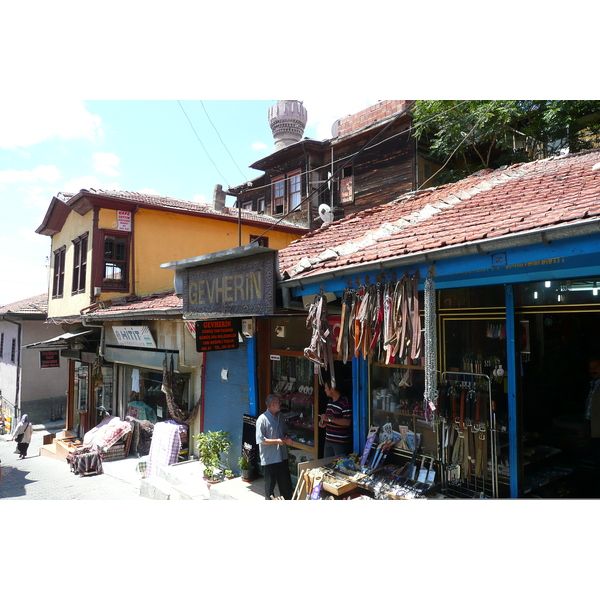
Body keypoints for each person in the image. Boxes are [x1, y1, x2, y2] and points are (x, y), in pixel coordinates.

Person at [255, 394, 294, 500]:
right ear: (272, 405)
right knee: (270, 489)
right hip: (270, 459)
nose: (280, 403)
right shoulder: (262, 420)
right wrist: (278, 441)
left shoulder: (281, 416)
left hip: (282, 457)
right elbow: (260, 440)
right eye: (278, 402)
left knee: (286, 487)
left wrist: (287, 438)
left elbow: (285, 432)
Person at [319, 378, 352, 458]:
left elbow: (347, 422)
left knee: (340, 466)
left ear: (332, 389)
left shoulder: (344, 402)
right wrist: (322, 421)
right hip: (329, 440)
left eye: (326, 388)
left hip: (340, 442)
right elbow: (328, 417)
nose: (324, 390)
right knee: (327, 465)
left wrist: (330, 419)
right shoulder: (330, 401)